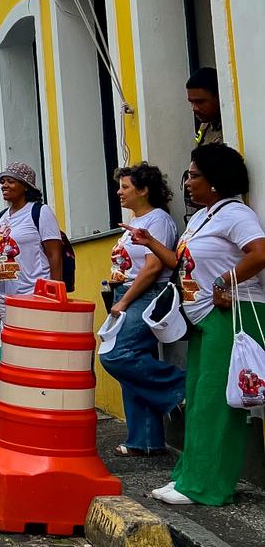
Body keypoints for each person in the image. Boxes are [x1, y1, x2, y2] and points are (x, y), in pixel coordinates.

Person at [148, 145, 265, 506]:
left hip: (233, 316)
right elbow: (184, 264)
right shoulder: (201, 218)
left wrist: (224, 282)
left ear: (215, 181)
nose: (188, 182)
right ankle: (188, 475)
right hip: (202, 317)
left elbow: (259, 253)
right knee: (198, 399)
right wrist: (150, 243)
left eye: (195, 175)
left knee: (217, 403)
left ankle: (208, 486)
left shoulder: (236, 214)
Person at [98, 164, 185, 456]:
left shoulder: (157, 220)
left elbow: (153, 267)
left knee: (116, 355)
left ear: (144, 190)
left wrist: (123, 302)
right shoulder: (134, 222)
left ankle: (180, 389)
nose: (119, 192)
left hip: (145, 294)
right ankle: (145, 440)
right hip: (128, 291)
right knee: (136, 362)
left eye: (125, 187)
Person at [0, 162, 63, 324]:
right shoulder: (2, 217)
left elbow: (54, 254)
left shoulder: (40, 212)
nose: (4, 185)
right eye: (3, 182)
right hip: (5, 297)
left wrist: (55, 295)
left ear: (26, 186)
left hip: (34, 293)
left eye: (11, 181)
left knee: (35, 344)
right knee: (12, 346)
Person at [183, 67, 223, 220]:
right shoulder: (205, 126)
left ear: (219, 96)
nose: (195, 108)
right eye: (191, 102)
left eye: (200, 101)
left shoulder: (232, 125)